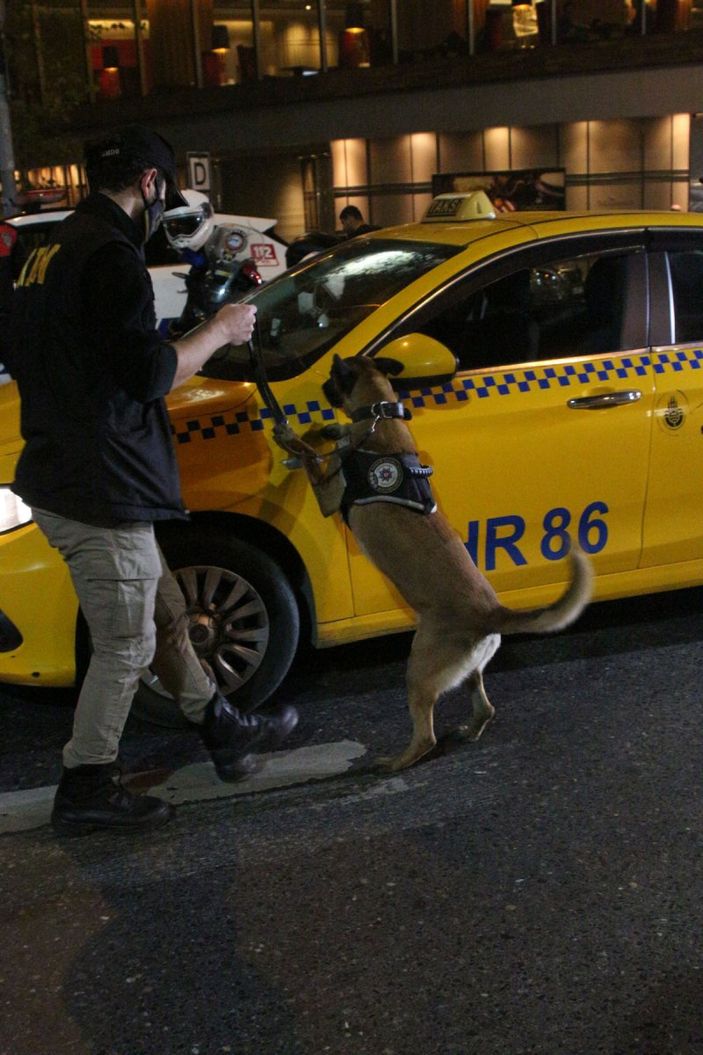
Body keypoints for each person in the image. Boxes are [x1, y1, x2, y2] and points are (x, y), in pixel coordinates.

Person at [7, 125, 298, 837]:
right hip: (100, 479)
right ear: (150, 184)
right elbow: (151, 374)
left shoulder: (42, 250)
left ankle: (223, 727)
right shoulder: (110, 255)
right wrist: (221, 329)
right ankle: (87, 780)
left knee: (165, 608)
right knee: (127, 644)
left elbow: (70, 346)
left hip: (63, 463)